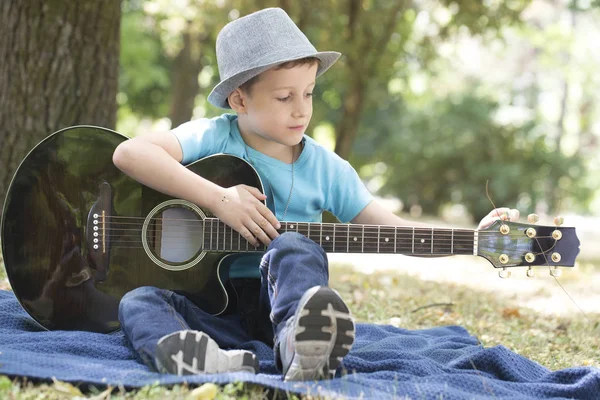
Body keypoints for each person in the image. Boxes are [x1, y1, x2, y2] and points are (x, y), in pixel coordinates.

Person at [112, 7, 517, 381]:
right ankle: (199, 358)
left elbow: (392, 229)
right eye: (284, 97)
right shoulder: (212, 136)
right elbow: (130, 153)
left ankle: (301, 346)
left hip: (280, 310)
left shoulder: (327, 169)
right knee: (138, 302)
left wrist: (479, 240)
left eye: (308, 93)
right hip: (207, 308)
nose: (301, 110)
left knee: (296, 245)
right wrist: (219, 199)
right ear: (239, 100)